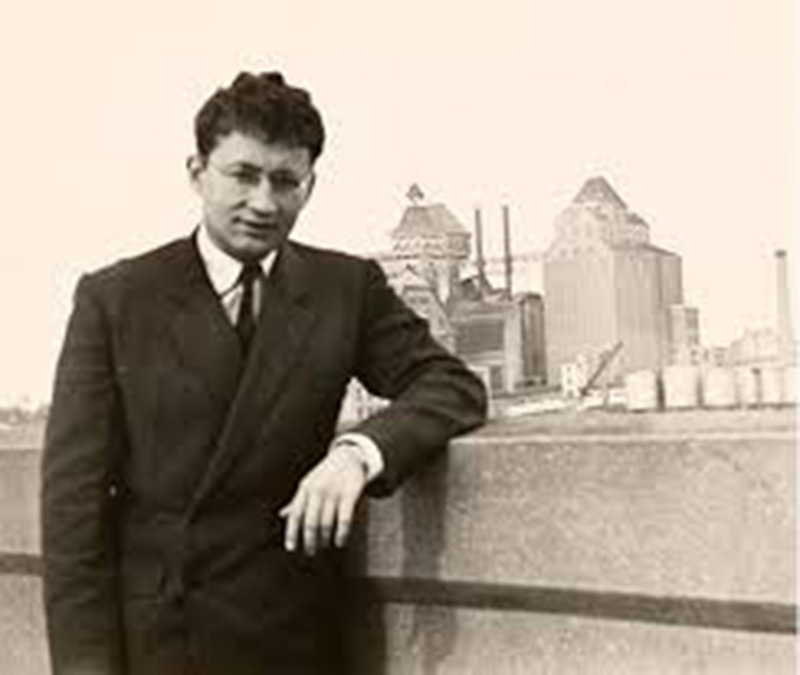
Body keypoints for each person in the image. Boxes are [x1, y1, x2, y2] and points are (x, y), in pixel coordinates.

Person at [41, 70, 487, 675]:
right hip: (162, 647)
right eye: (243, 176)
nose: (264, 203)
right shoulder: (117, 299)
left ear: (310, 186)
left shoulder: (345, 288)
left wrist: (356, 455)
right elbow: (73, 515)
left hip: (296, 643)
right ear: (197, 172)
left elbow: (452, 385)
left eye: (285, 181)